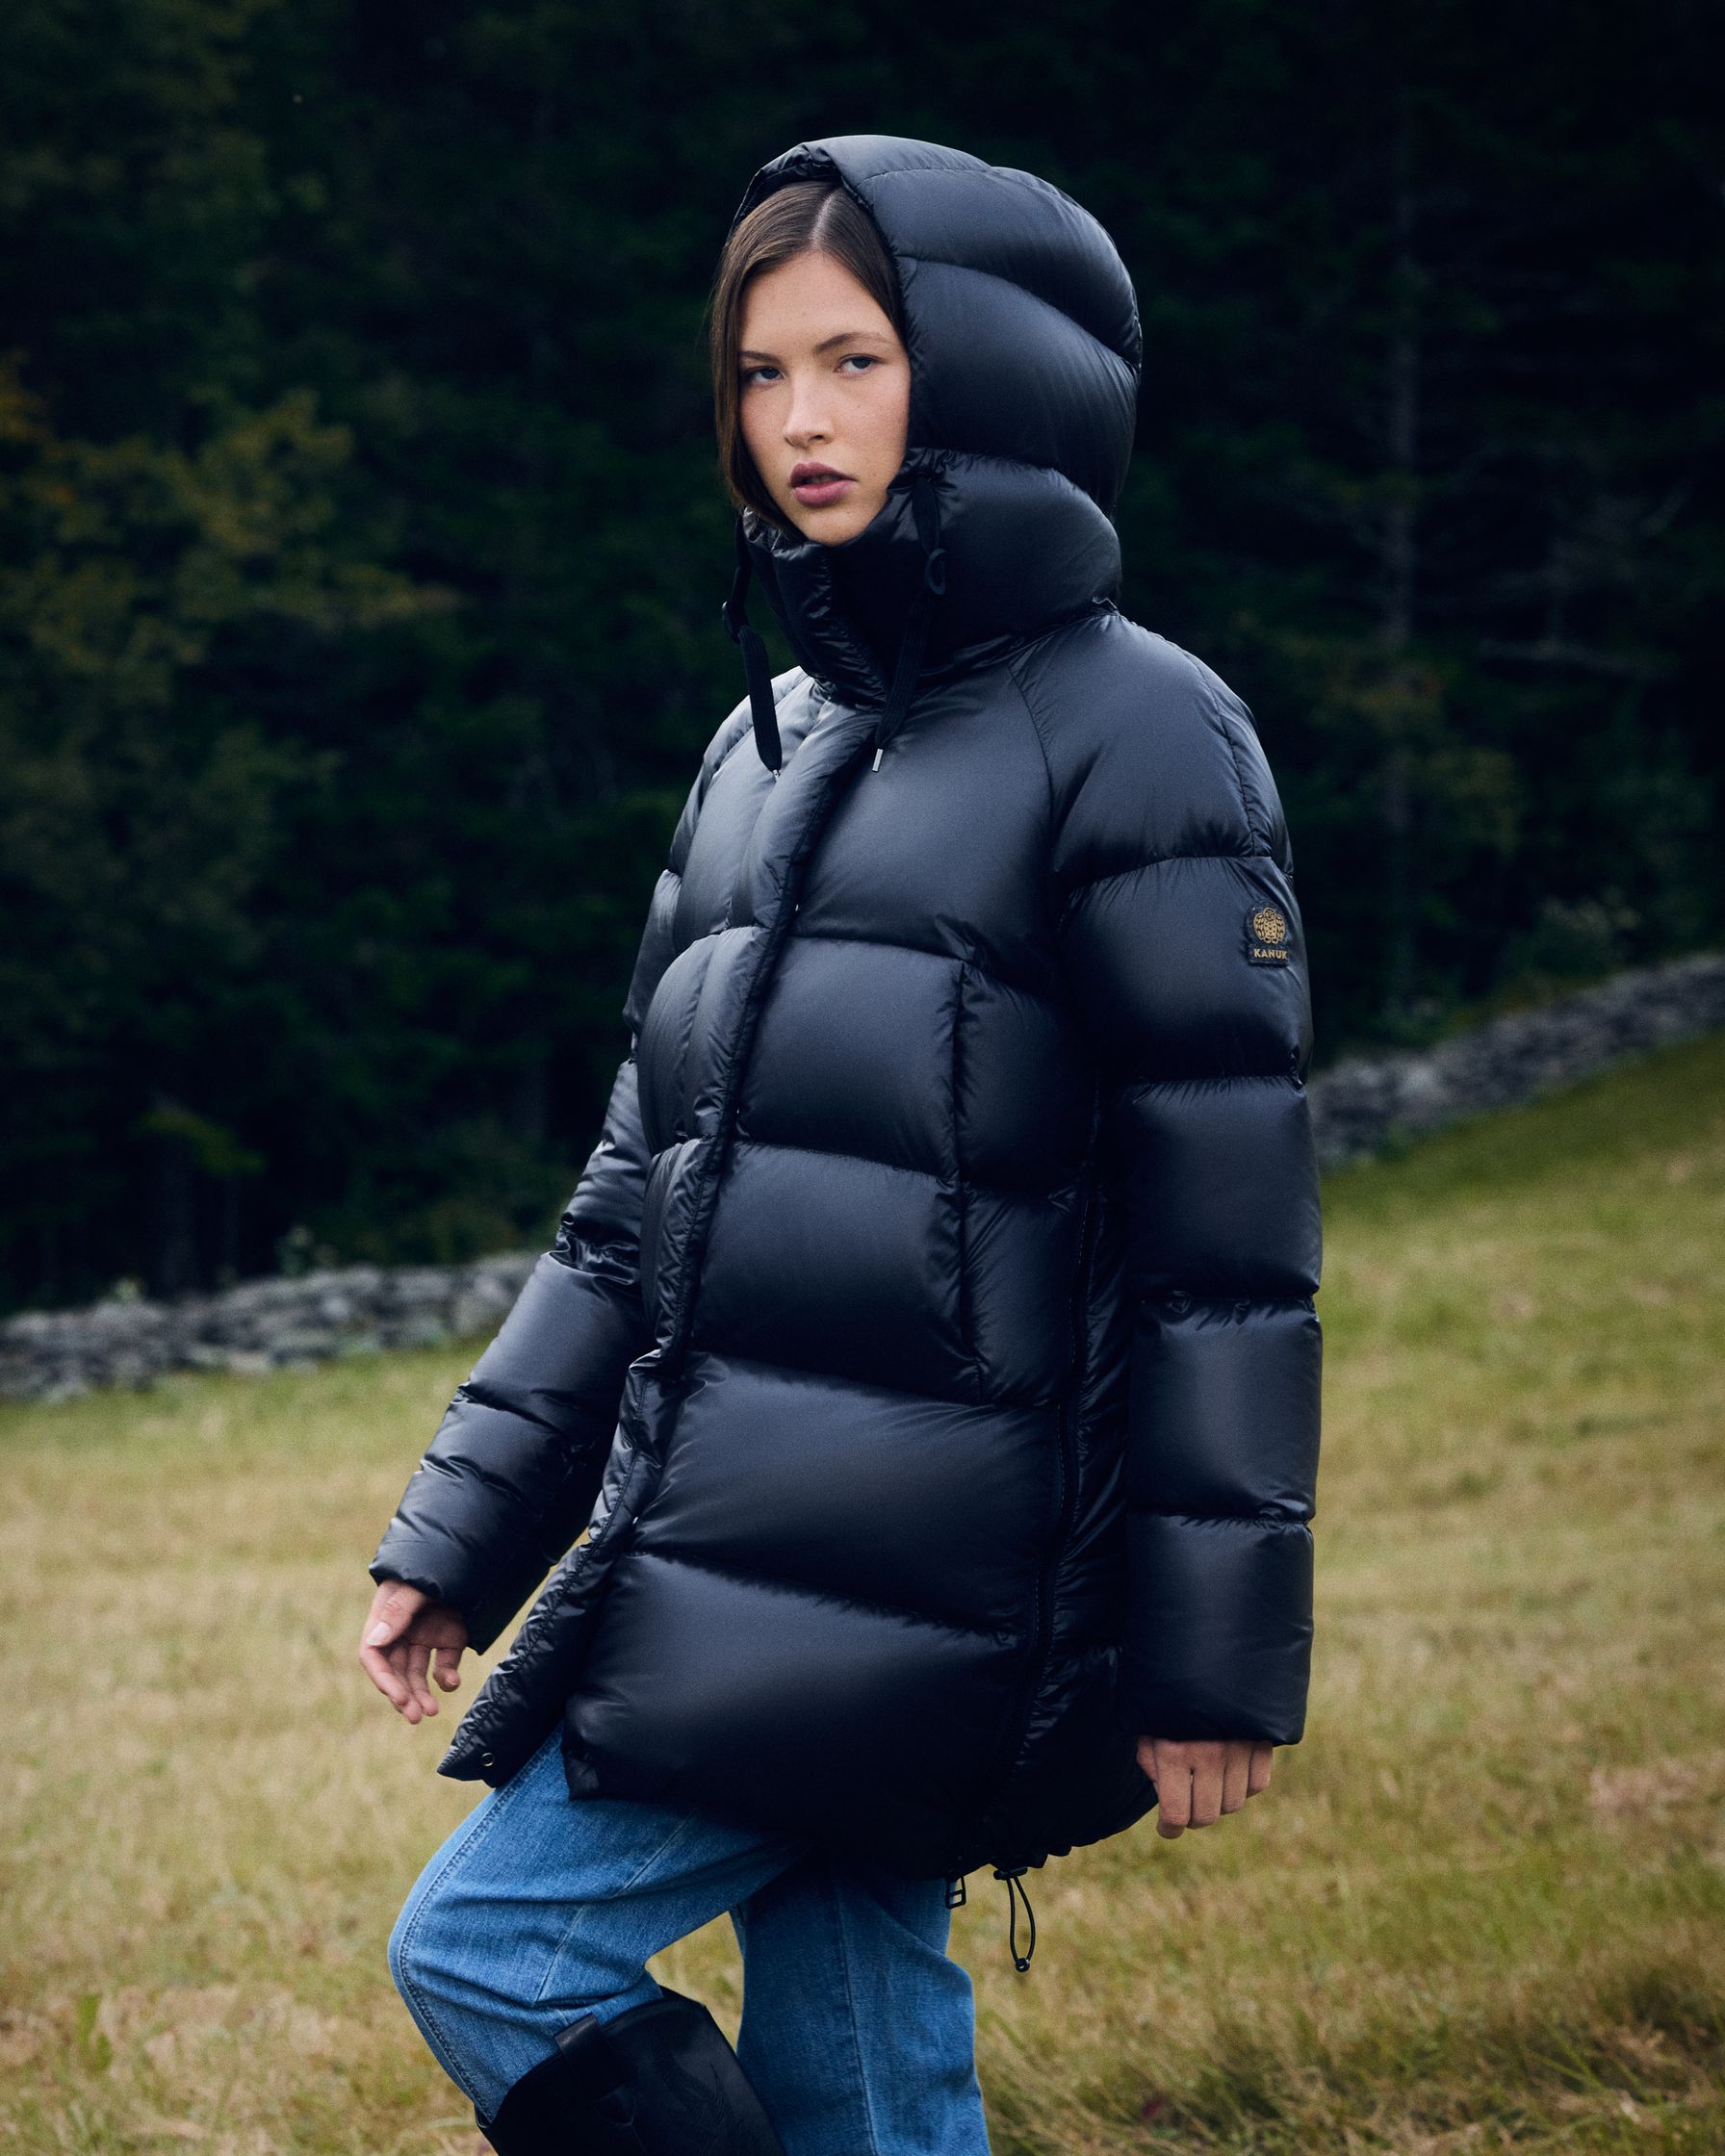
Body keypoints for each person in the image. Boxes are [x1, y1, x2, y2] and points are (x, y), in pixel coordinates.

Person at [360, 133, 1322, 2156]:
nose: (798, 420)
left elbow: (1220, 1242)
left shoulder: (1143, 735)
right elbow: (635, 1206)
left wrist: (1210, 1655)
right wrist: (461, 1529)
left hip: (937, 1582)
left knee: (482, 1947)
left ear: (977, 370)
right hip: (724, 1554)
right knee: (866, 2079)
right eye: (760, 371)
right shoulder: (755, 745)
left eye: (855, 359)